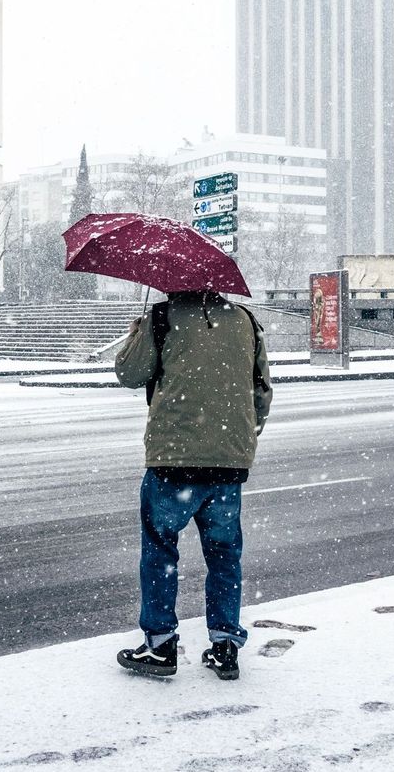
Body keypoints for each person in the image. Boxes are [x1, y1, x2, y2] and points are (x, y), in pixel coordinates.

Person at [112, 290, 273, 681]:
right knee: (223, 555)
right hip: (227, 465)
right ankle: (224, 645)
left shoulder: (163, 317)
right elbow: (261, 391)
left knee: (160, 551)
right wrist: (240, 441)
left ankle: (160, 644)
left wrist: (137, 334)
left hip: (174, 462)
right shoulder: (246, 321)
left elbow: (129, 374)